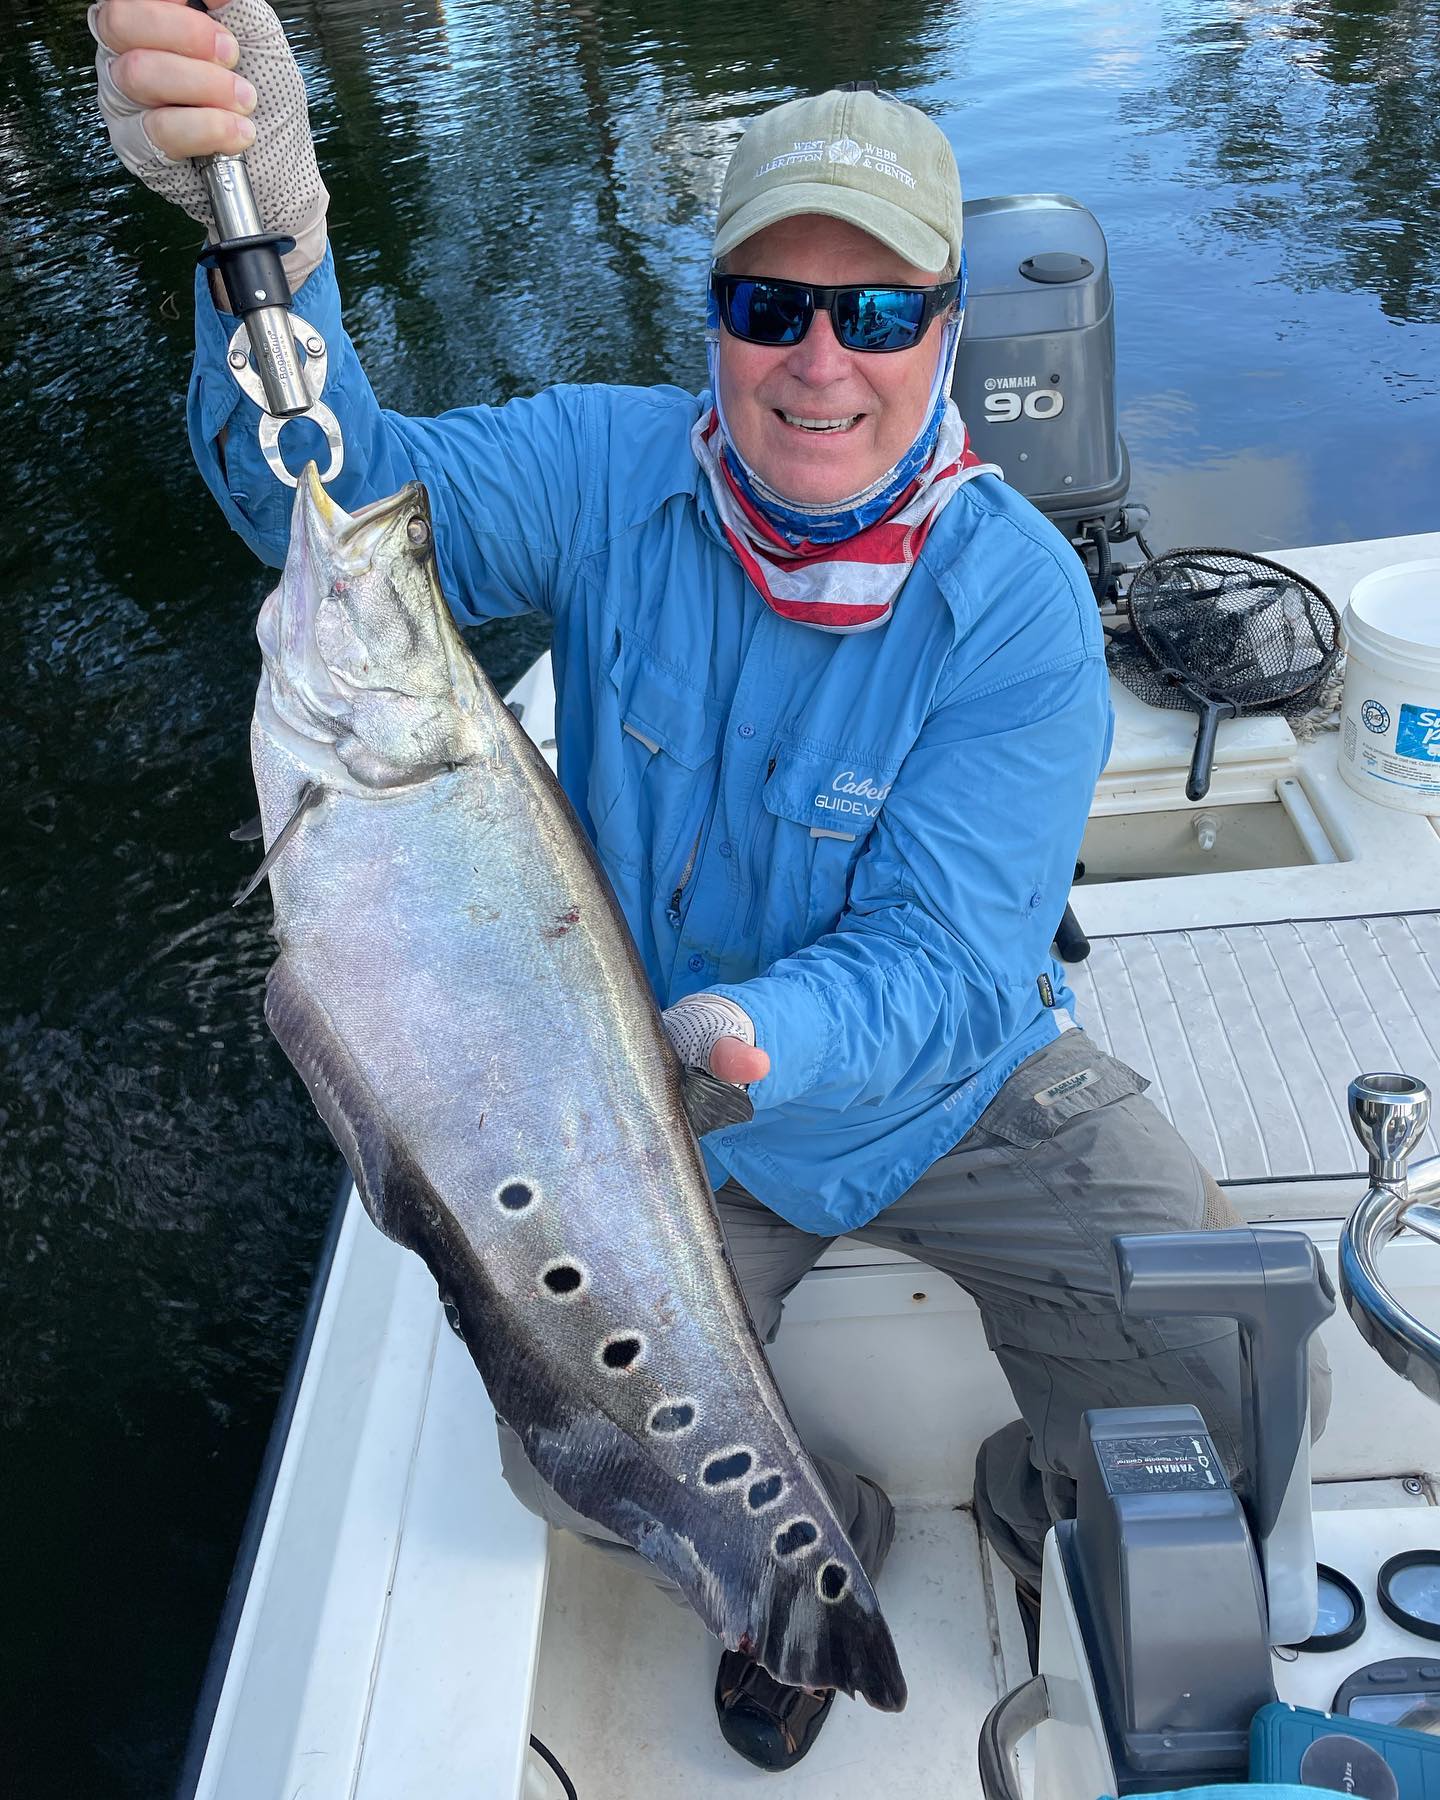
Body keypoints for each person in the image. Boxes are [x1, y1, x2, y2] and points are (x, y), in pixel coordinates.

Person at [92, 0, 1329, 1772]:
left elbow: (952, 963)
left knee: (1210, 1340)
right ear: (718, 323)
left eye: (877, 311)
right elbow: (325, 490)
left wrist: (756, 1026)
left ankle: (1037, 1484)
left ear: (947, 334)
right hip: (634, 1111)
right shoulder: (612, 471)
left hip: (943, 1089)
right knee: (557, 1448)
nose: (820, 361)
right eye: (771, 307)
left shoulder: (1024, 611)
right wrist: (266, 227)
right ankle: (829, 1532)